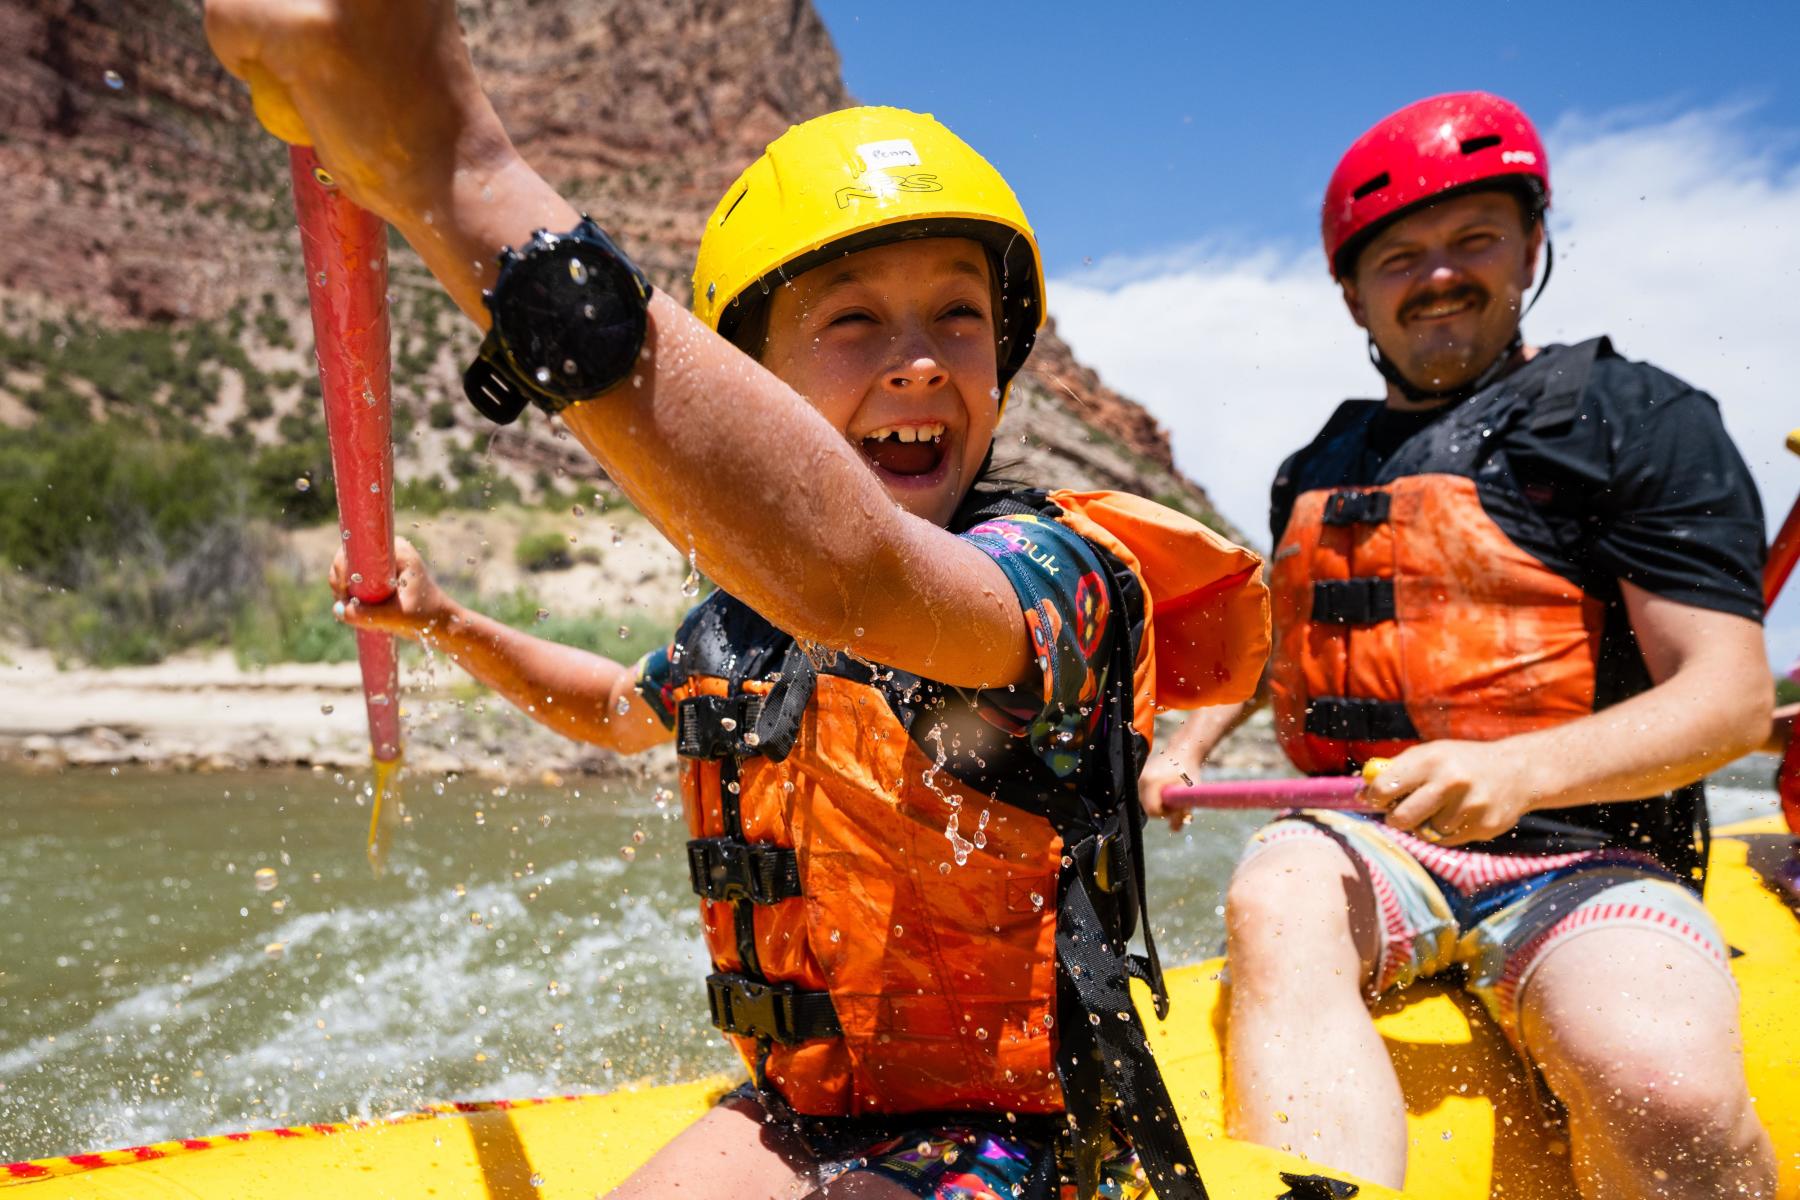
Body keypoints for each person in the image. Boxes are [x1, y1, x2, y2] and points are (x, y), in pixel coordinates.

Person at [204, 5, 1270, 1196]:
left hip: (1030, 1132)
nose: (918, 359)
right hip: (805, 1112)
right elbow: (616, 705)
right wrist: (450, 623)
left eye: (957, 316)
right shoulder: (744, 628)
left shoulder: (1049, 579)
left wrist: (459, 170)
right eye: (854, 319)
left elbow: (859, 577)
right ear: (748, 384)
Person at [1139, 92, 1777, 1196]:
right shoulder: (1316, 462)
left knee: (1662, 1086)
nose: (1438, 273)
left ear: (1532, 245)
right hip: (1367, 837)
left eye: (1473, 238)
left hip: (1590, 851)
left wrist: (1518, 769)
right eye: (1400, 255)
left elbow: (1725, 698)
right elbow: (1277, 640)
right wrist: (1181, 748)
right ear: (1352, 294)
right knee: (1273, 897)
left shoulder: (1637, 416)